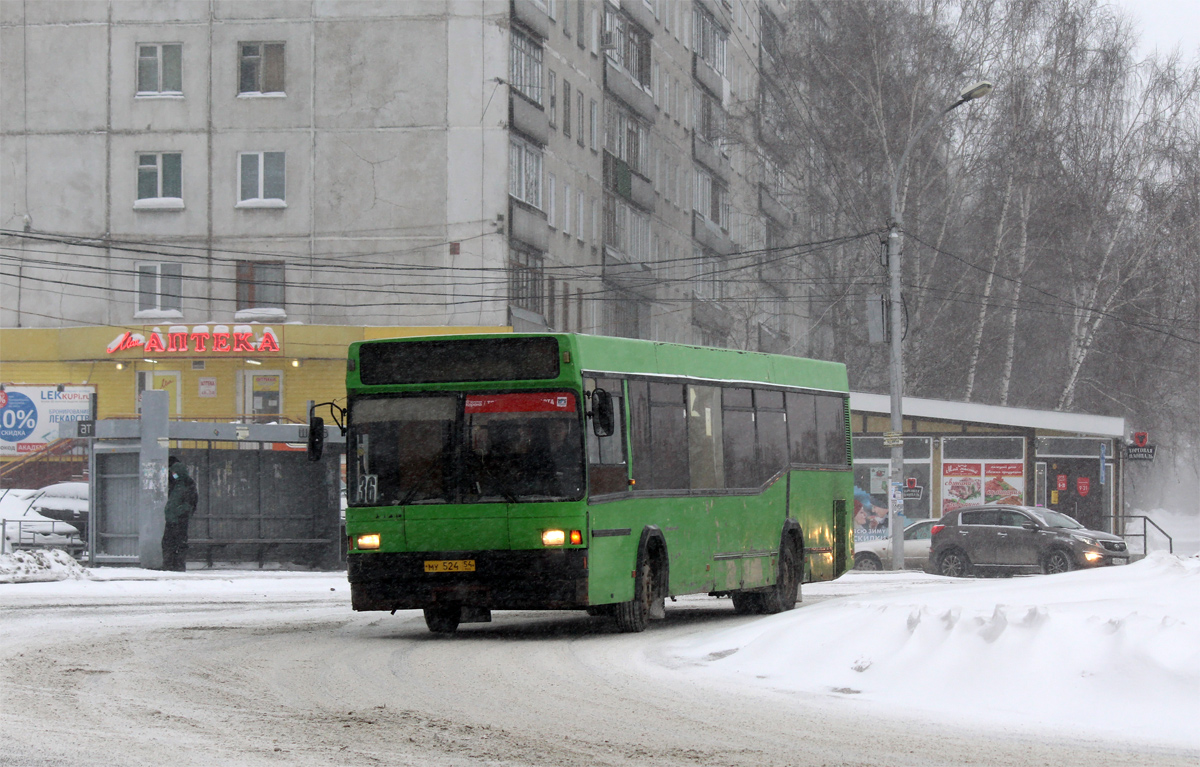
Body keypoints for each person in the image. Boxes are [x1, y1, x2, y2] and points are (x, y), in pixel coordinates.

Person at [161, 456, 198, 571]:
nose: (173, 475)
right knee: (168, 543)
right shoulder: (175, 484)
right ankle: (169, 565)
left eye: (174, 473)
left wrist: (177, 512)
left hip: (180, 520)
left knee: (178, 543)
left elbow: (189, 504)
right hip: (172, 519)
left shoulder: (187, 485)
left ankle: (177, 566)